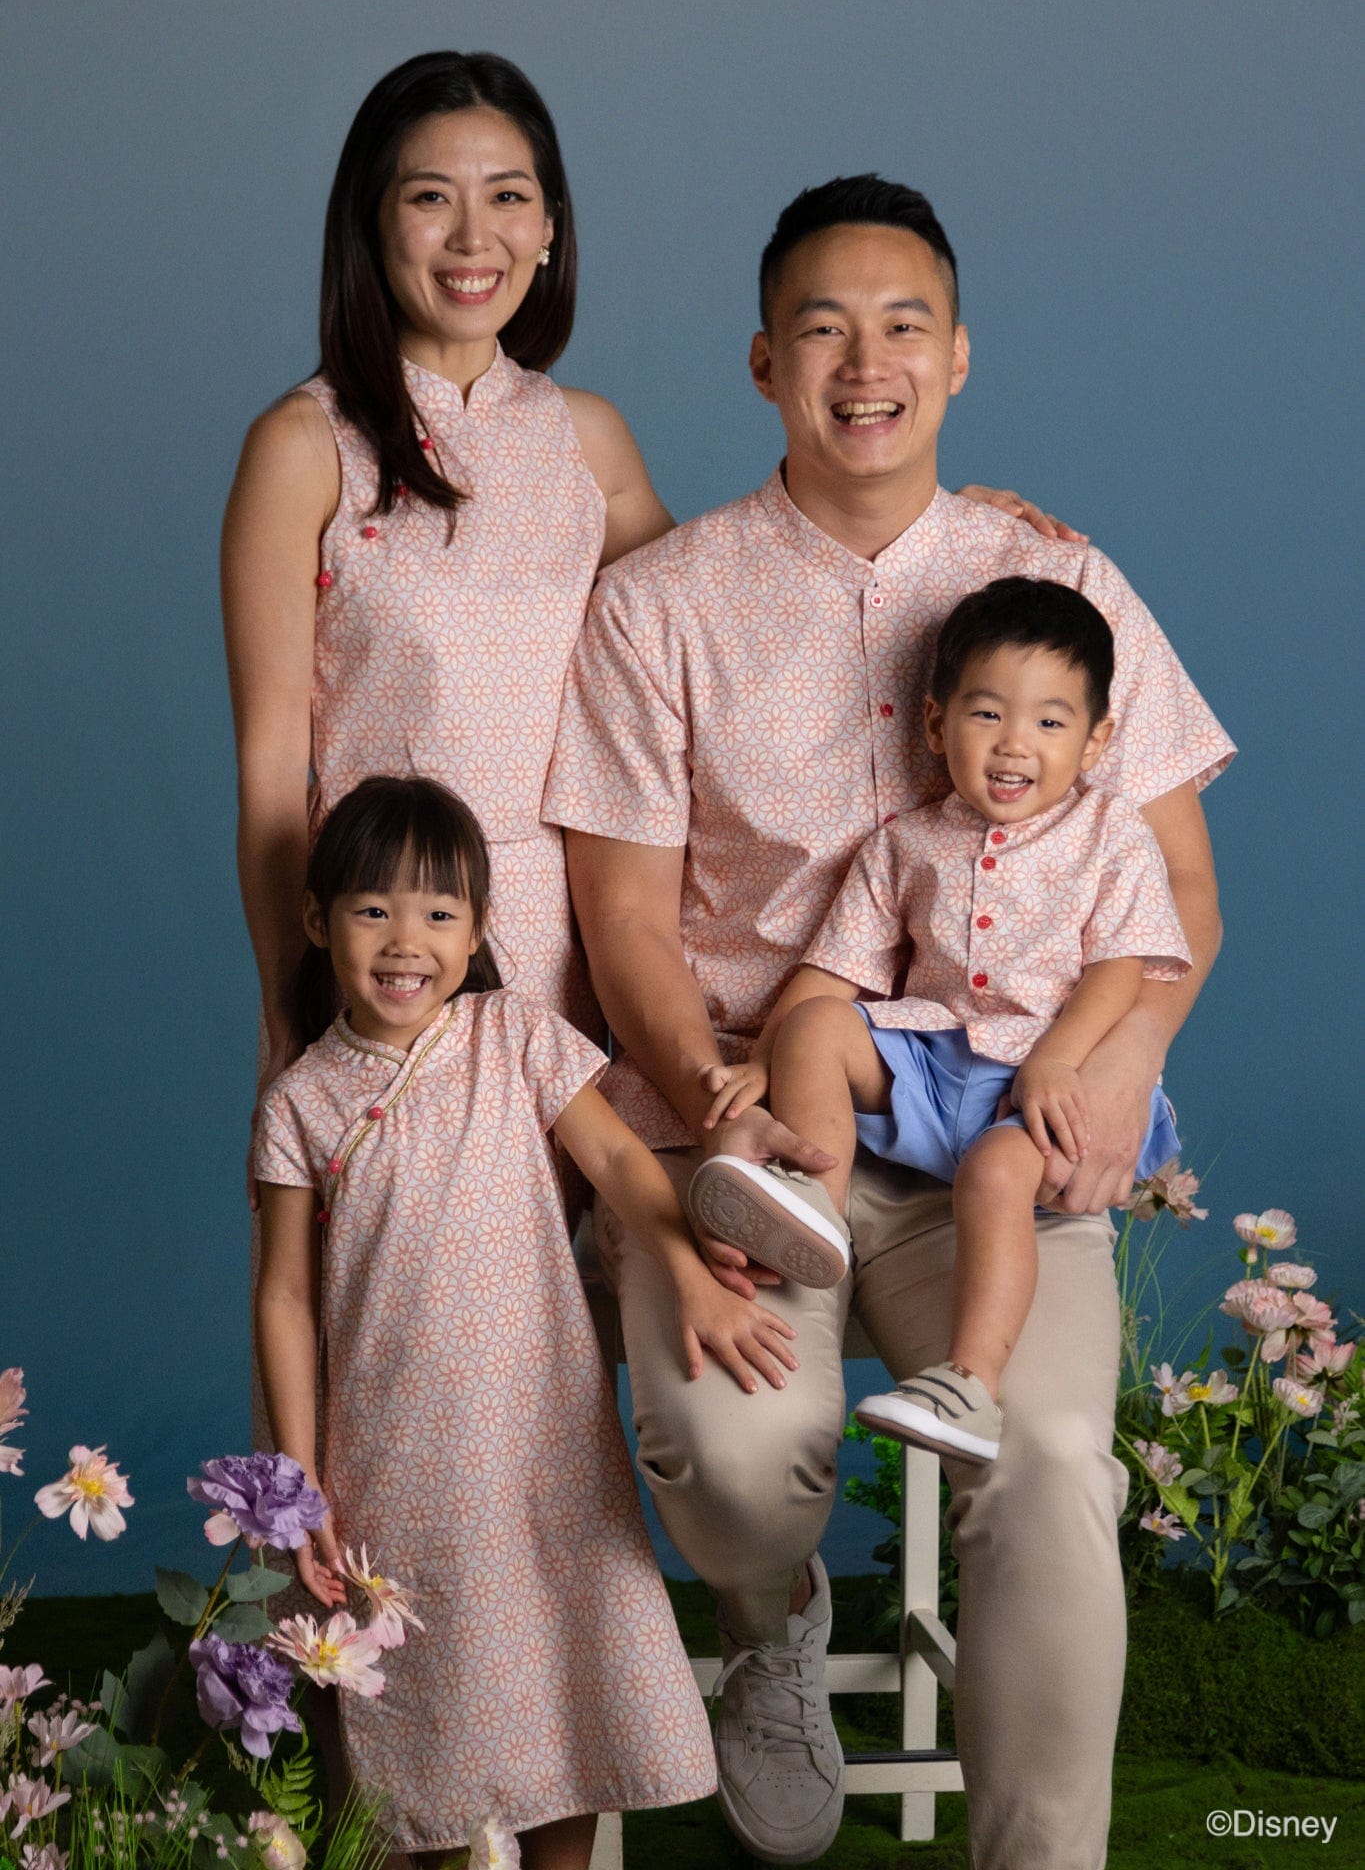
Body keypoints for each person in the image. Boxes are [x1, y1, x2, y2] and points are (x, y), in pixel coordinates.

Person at [544, 175, 1232, 1867]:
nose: (868, 360)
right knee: (722, 1438)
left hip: (1003, 1137)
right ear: (768, 359)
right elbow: (621, 919)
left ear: (960, 354)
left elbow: (1183, 899)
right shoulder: (664, 603)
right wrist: (721, 1100)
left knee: (1059, 1455)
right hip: (758, 1133)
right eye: (826, 327)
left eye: (904, 321)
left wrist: (1124, 1054)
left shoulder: (1058, 579)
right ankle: (771, 1630)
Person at [221, 48, 1054, 1095]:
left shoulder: (584, 440)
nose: (475, 238)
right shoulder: (306, 447)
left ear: (551, 227)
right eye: (431, 198)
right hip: (381, 943)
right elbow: (268, 778)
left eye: (509, 198)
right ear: (371, 221)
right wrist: (295, 1004)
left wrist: (943, 527)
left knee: (551, 1244)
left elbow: (742, 588)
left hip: (556, 947)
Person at [254, 775, 798, 1870]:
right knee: (406, 1694)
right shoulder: (300, 1102)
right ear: (318, 921)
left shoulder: (517, 1038)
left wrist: (691, 1271)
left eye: (440, 913)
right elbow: (284, 1295)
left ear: (479, 928)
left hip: (539, 1436)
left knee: (564, 1685)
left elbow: (621, 1162)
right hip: (391, 1452)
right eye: (372, 909)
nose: (407, 940)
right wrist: (295, 1472)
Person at [687, 577, 1192, 1464]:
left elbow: (1123, 966)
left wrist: (1059, 1061)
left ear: (1095, 740)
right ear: (934, 725)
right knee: (814, 1028)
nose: (1013, 745)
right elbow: (834, 969)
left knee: (997, 1176)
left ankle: (969, 1383)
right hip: (936, 1061)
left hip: (1049, 1084)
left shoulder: (1111, 835)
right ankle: (815, 1206)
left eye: (1048, 722)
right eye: (986, 714)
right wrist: (768, 1060)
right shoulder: (904, 842)